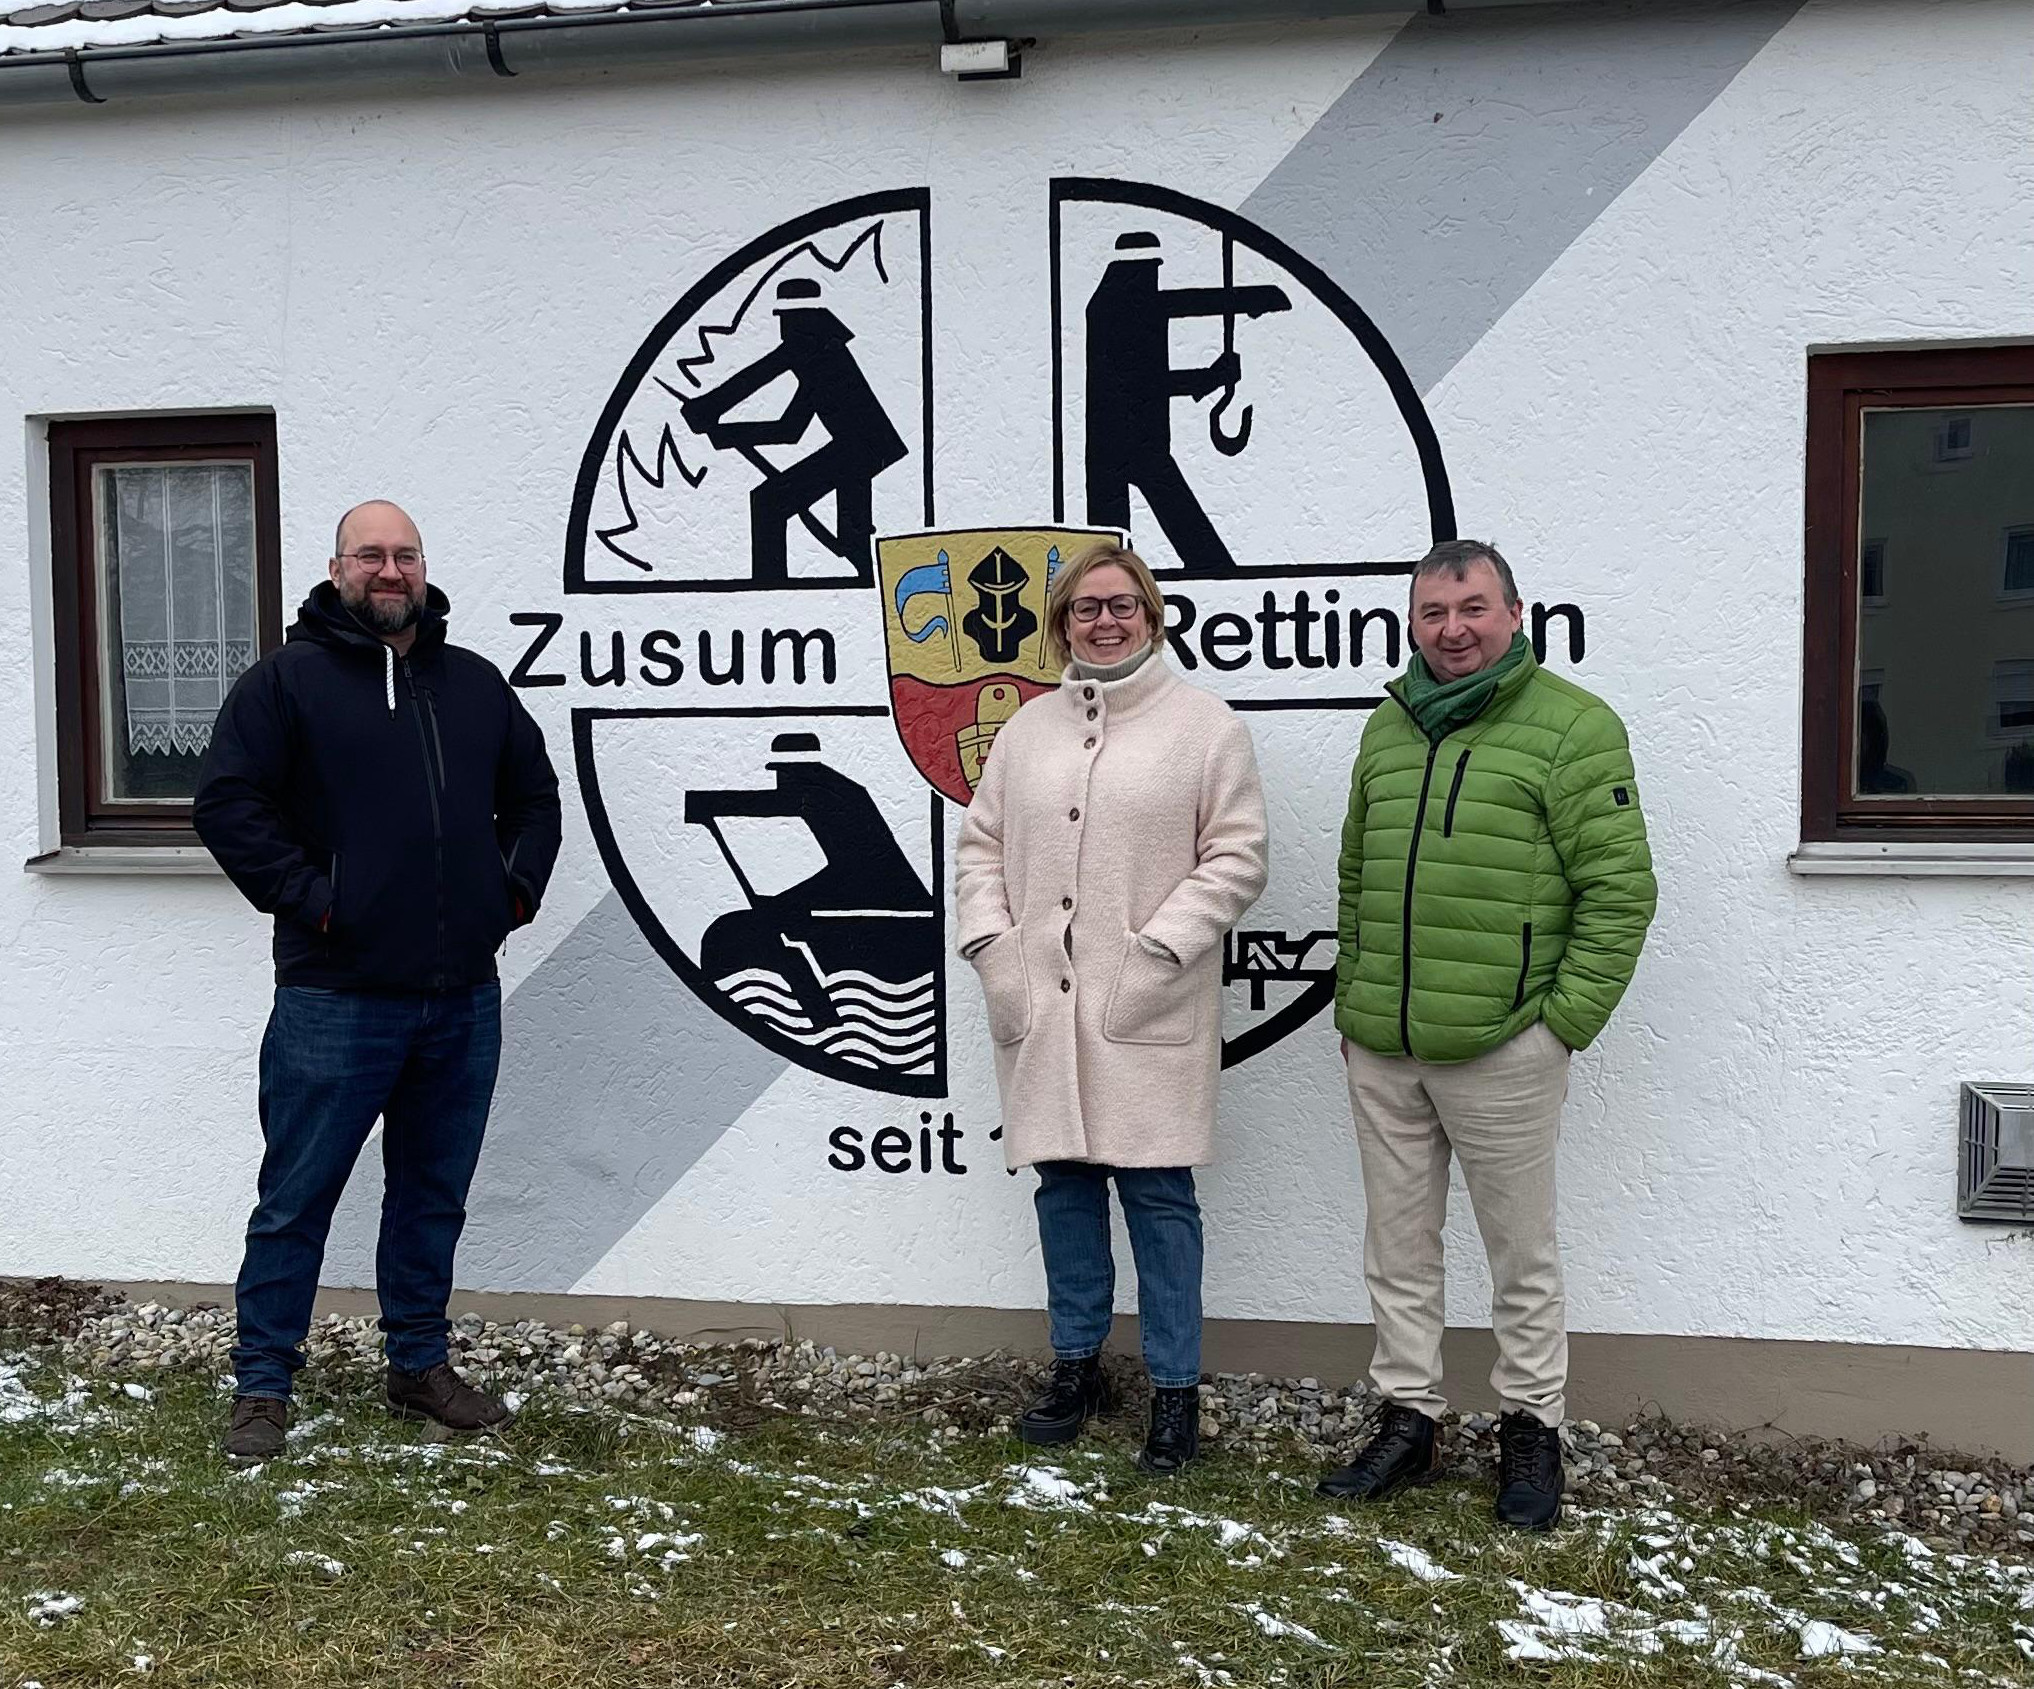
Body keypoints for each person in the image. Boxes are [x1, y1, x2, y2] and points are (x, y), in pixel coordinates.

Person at [194, 500, 562, 1460]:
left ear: (423, 567)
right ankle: (263, 1383)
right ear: (337, 567)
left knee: (431, 1192)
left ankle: (418, 1363)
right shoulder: (286, 683)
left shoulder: (474, 685)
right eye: (371, 554)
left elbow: (533, 798)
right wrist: (318, 902)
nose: (389, 570)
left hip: (460, 998)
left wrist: (511, 897)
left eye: (405, 554)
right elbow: (228, 805)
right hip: (334, 995)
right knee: (296, 1196)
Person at [1319, 539, 1656, 1531]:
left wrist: (1559, 1030)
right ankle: (1409, 1419)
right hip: (1385, 1046)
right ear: (1412, 623)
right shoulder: (1389, 728)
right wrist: (1357, 1004)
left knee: (1521, 1253)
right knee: (1397, 1246)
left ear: (1515, 613)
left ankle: (1530, 1430)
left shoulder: (1573, 729)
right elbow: (1356, 878)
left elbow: (1621, 893)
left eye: (1472, 608)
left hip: (1505, 1043)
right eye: (1433, 613)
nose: (1453, 630)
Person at [954, 542, 1268, 1475]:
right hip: (1041, 1006)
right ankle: (1077, 1365)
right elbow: (980, 849)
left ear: (1152, 613)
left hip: (1149, 1005)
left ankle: (1175, 1390)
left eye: (1122, 605)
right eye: (1086, 608)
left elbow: (1238, 857)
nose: (1105, 620)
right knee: (1065, 1189)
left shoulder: (1205, 727)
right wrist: (993, 949)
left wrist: (1163, 946)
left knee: (1160, 1197)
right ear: (1060, 625)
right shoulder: (1026, 733)